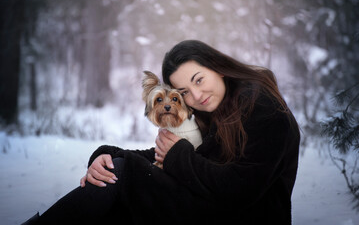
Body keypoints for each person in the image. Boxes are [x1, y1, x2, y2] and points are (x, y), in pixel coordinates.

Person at [22, 40, 300, 225]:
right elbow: (172, 156)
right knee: (117, 174)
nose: (197, 95)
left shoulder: (261, 106)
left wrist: (177, 155)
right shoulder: (221, 106)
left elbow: (241, 188)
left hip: (243, 214)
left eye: (199, 80)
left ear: (219, 68)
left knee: (124, 179)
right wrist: (107, 155)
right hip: (213, 204)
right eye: (184, 92)